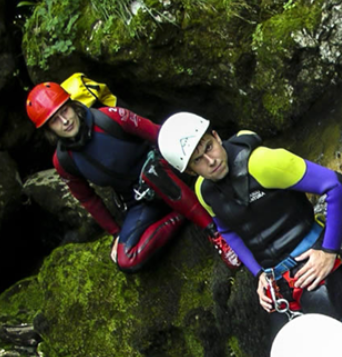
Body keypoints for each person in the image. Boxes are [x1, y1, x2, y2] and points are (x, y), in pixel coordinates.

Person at [157, 112, 342, 329]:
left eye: (209, 146)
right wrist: (259, 273)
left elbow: (337, 185)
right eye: (198, 160)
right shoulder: (204, 191)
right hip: (278, 282)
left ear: (216, 137)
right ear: (191, 170)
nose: (211, 161)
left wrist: (328, 250)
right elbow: (228, 231)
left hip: (313, 259)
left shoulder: (261, 162)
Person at [25, 82, 240, 272]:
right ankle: (183, 213)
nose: (65, 121)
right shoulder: (63, 161)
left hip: (165, 172)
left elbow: (159, 135)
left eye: (65, 111)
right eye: (55, 120)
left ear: (72, 105)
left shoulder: (109, 118)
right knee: (126, 259)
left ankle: (215, 233)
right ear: (48, 130)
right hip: (139, 199)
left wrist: (197, 163)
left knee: (152, 173)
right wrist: (115, 233)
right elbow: (88, 199)